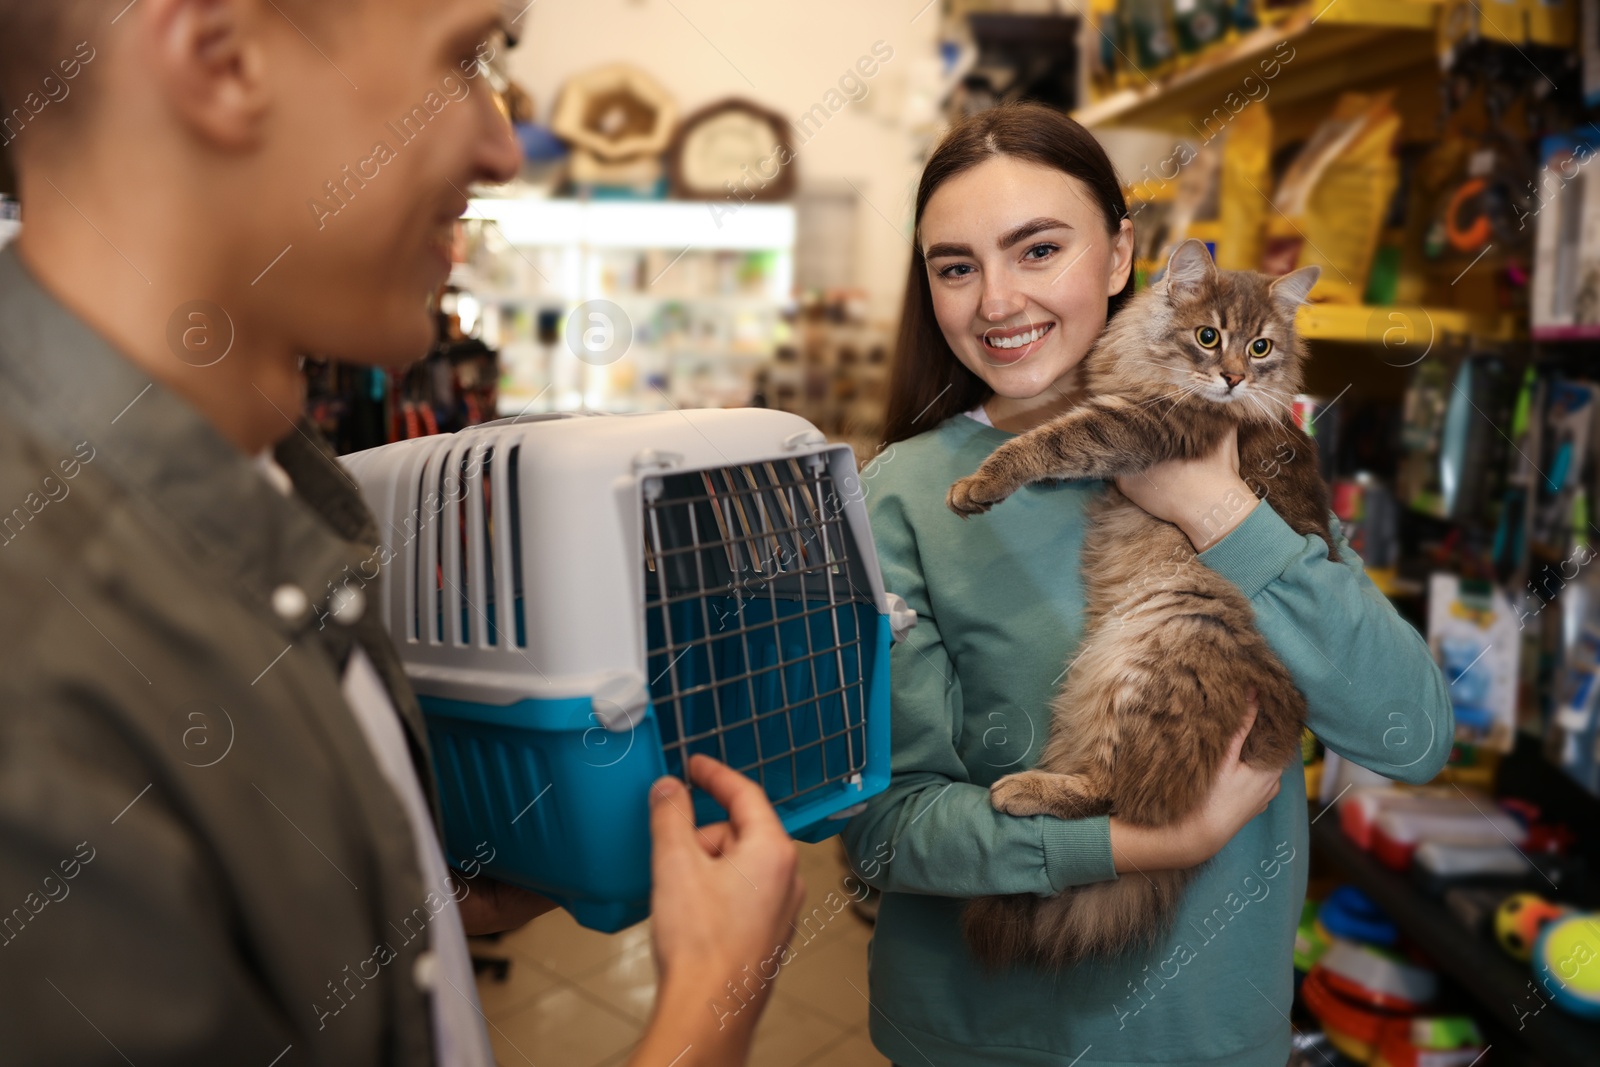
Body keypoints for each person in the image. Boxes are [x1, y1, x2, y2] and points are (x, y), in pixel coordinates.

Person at [0, 1, 801, 1064]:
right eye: (463, 57)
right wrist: (711, 1000)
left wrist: (414, 888)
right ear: (219, 56)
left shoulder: (289, 494)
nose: (505, 146)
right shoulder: (40, 669)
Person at [841, 102, 1454, 1067]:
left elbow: (1411, 735)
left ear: (1125, 255)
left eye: (1038, 249)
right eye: (956, 266)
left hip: (1210, 1041)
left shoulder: (1261, 450)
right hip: (979, 1040)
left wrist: (1217, 508)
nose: (997, 301)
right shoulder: (902, 494)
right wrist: (1140, 844)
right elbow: (878, 836)